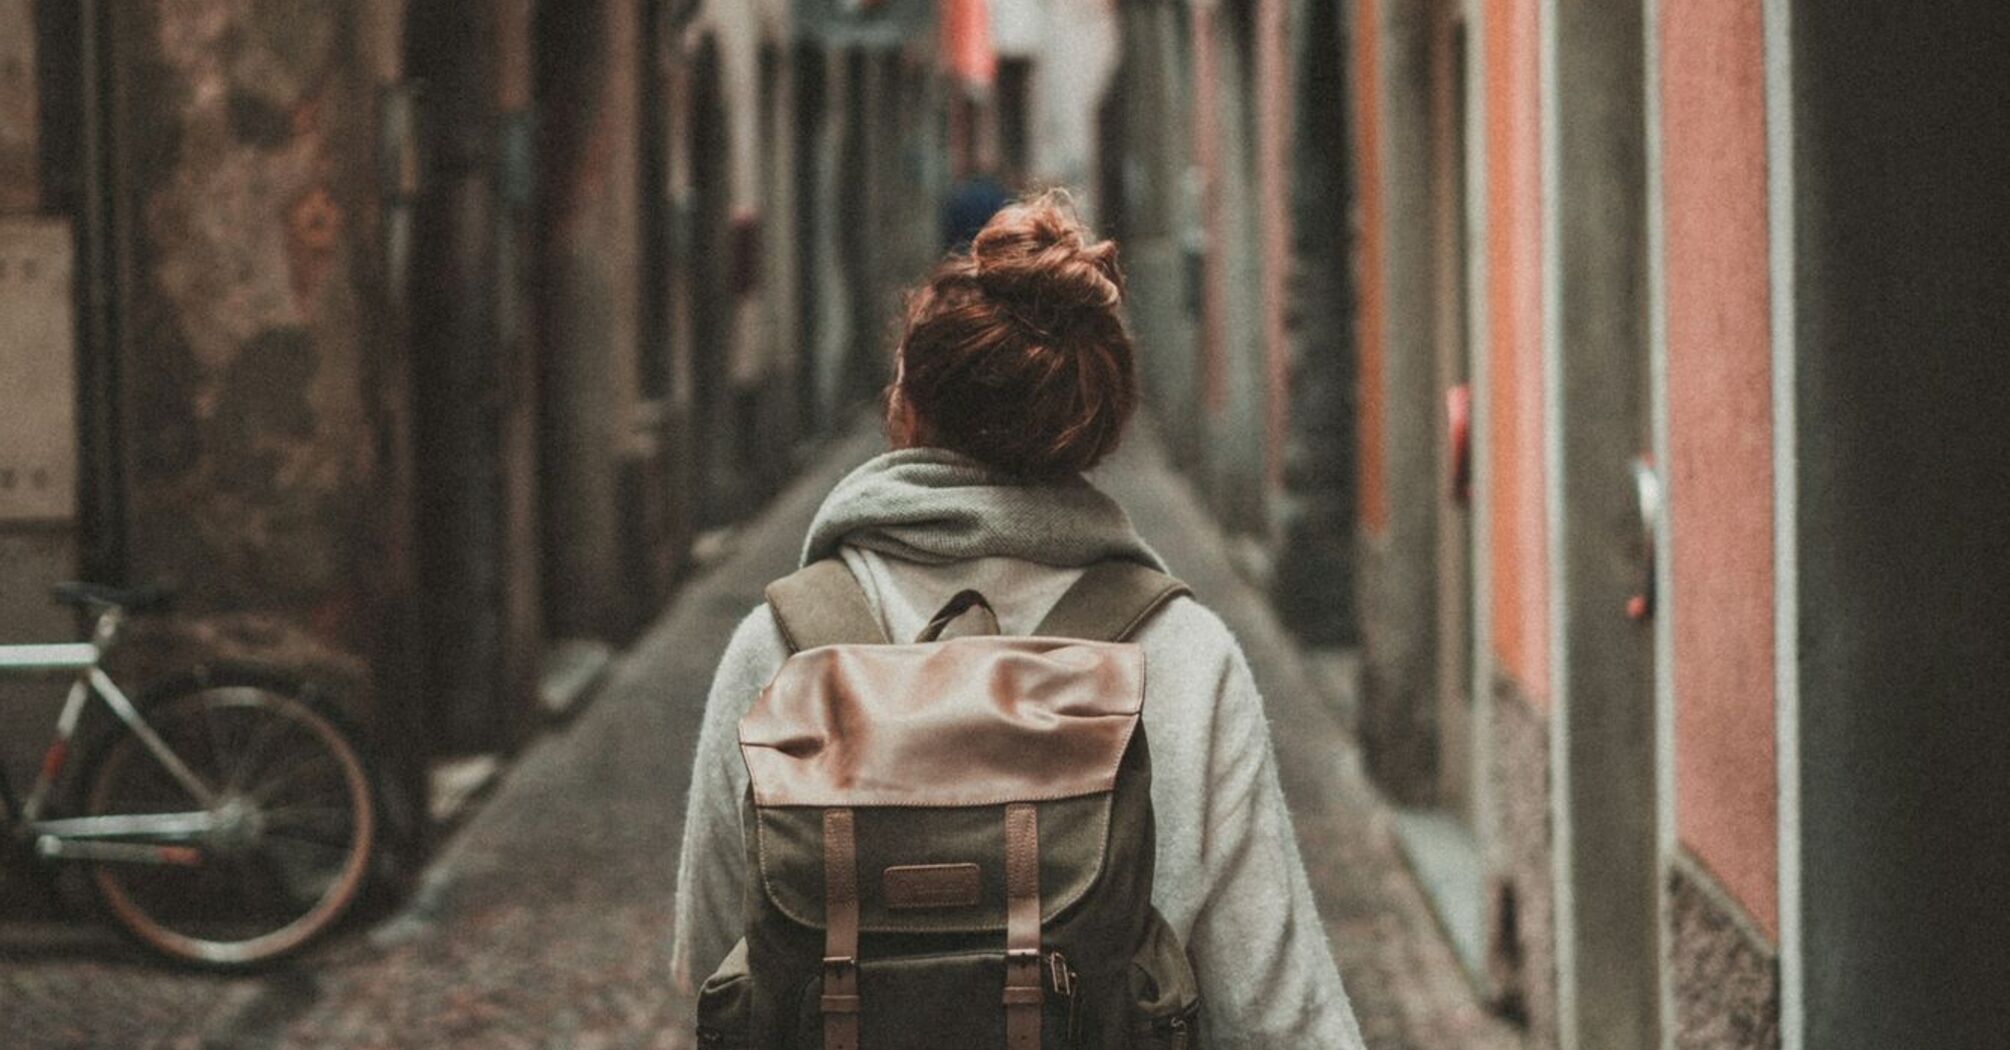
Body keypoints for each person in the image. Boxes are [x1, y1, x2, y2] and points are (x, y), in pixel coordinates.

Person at [670, 191, 1366, 1048]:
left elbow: (720, 953)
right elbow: (1280, 1011)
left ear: (908, 408)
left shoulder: (779, 651)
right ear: (1094, 426)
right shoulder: (1183, 657)